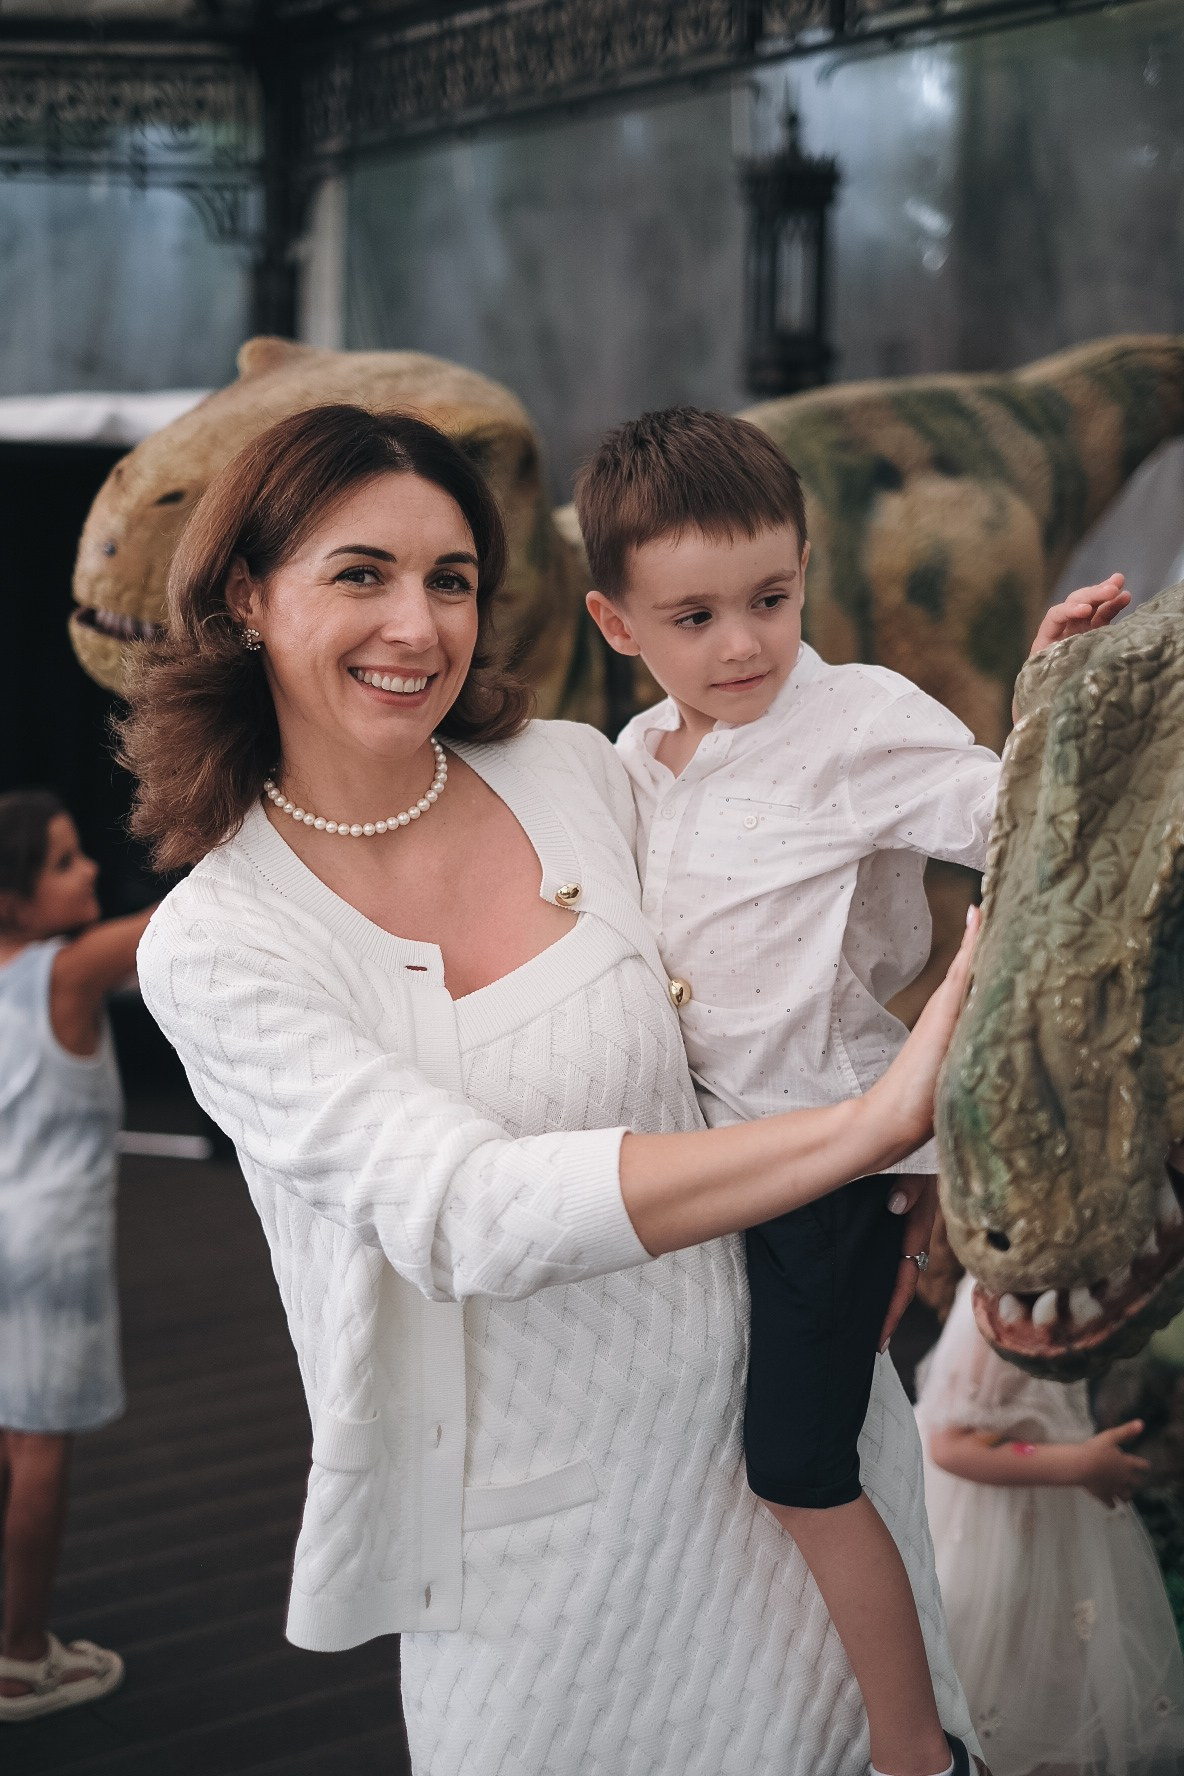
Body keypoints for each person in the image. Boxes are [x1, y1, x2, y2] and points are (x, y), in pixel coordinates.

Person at [124, 403, 980, 1776]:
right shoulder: (219, 945)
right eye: (362, 574)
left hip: (793, 1455)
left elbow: (763, 951)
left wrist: (889, 1164)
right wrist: (860, 1132)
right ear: (245, 595)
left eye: (450, 579)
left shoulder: (579, 771)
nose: (418, 626)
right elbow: (462, 1211)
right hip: (537, 1551)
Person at [575, 405, 1129, 1776]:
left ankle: (913, 1751)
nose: (743, 643)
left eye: (770, 598)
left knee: (797, 1466)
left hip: (828, 1158)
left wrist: (1048, 692)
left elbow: (1007, 816)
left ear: (805, 568)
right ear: (617, 624)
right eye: (694, 616)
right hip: (698, 1159)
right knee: (691, 1445)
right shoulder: (636, 758)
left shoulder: (856, 720)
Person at [0, 792, 153, 1721]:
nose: (90, 866)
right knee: (40, 1446)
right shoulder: (69, 971)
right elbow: (187, 915)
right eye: (63, 862)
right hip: (50, 1249)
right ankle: (20, 1658)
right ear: (13, 901)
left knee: (7, 1435)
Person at [916, 1268, 1184, 1775]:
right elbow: (948, 1446)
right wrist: (1079, 1464)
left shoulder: (1062, 1287)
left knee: (1054, 1667)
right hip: (989, 1526)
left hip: (1052, 1516)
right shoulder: (1000, 1302)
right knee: (989, 1663)